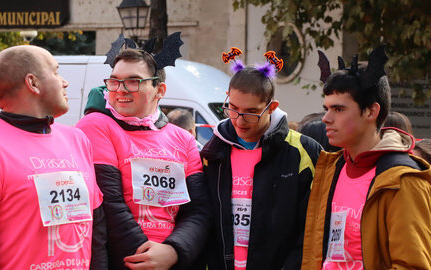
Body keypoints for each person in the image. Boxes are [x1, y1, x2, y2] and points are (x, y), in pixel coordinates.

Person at [0, 45, 104, 270]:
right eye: (56, 71)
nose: (65, 82)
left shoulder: (77, 139)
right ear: (33, 83)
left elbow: (97, 230)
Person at [76, 33, 211, 270]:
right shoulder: (96, 125)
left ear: (159, 90)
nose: (120, 90)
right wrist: (147, 258)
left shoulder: (183, 140)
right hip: (121, 260)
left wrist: (173, 251)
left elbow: (198, 211)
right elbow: (109, 203)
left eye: (133, 81)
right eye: (115, 81)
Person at [301, 46, 431, 269]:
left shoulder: (403, 181)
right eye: (326, 108)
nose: (326, 118)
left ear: (371, 112)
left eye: (339, 109)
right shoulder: (330, 169)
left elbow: (413, 265)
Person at [200, 48, 322, 269]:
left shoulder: (304, 151)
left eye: (251, 113)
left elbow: (312, 228)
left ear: (271, 107)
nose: (239, 121)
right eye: (233, 109)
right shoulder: (212, 151)